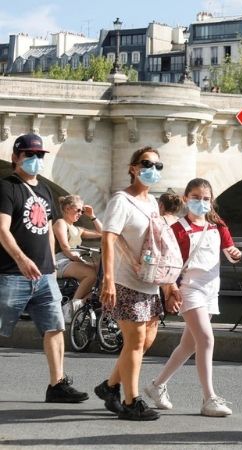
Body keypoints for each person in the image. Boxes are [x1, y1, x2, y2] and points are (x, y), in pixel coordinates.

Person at [0, 133, 89, 403]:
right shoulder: (6, 187)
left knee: (55, 328)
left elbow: (49, 230)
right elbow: (2, 230)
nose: (35, 160)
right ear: (16, 158)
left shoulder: (45, 191)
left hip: (45, 276)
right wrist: (21, 259)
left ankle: (57, 384)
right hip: (12, 274)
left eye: (39, 155)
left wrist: (50, 262)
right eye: (29, 155)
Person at [94, 146, 179, 421]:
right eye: (146, 164)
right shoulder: (121, 200)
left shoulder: (152, 203)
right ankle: (131, 401)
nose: (152, 170)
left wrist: (168, 284)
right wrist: (108, 280)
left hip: (149, 280)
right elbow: (108, 238)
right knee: (135, 340)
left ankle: (109, 387)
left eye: (157, 165)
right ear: (133, 168)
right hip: (125, 279)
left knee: (146, 341)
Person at [144, 178, 241, 417]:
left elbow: (230, 252)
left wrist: (236, 254)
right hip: (189, 287)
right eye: (196, 197)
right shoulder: (177, 229)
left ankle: (156, 386)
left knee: (189, 344)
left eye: (206, 198)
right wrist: (170, 289)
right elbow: (168, 262)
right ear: (186, 198)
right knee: (206, 339)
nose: (201, 202)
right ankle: (209, 398)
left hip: (210, 288)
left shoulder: (217, 224)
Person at [53, 195, 103, 317]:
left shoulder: (78, 229)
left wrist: (92, 216)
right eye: (78, 210)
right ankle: (70, 309)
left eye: (82, 211)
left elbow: (102, 233)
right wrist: (81, 261)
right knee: (90, 274)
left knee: (104, 274)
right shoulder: (61, 223)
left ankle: (80, 304)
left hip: (74, 261)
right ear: (67, 208)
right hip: (61, 261)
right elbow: (65, 247)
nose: (80, 213)